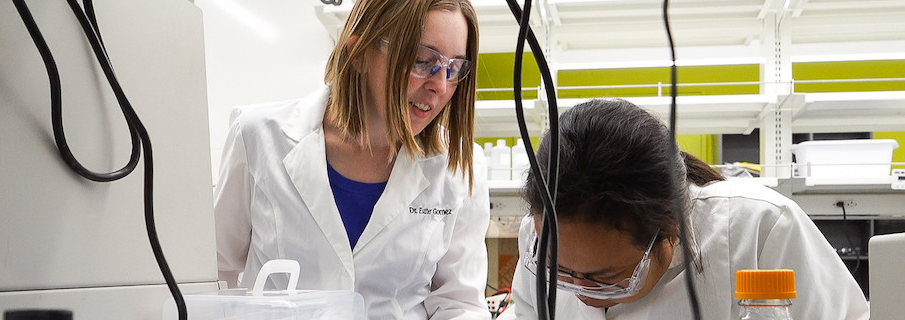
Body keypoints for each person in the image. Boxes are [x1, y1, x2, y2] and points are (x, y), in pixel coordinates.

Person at [212, 0, 490, 318]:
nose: (439, 86)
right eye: (422, 60)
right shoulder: (258, 136)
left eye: (454, 69)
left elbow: (459, 302)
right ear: (359, 54)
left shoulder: (460, 167)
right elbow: (216, 271)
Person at [510, 99, 870, 319]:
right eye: (559, 271)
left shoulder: (762, 228)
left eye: (607, 278)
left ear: (671, 229)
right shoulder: (537, 236)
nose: (583, 295)